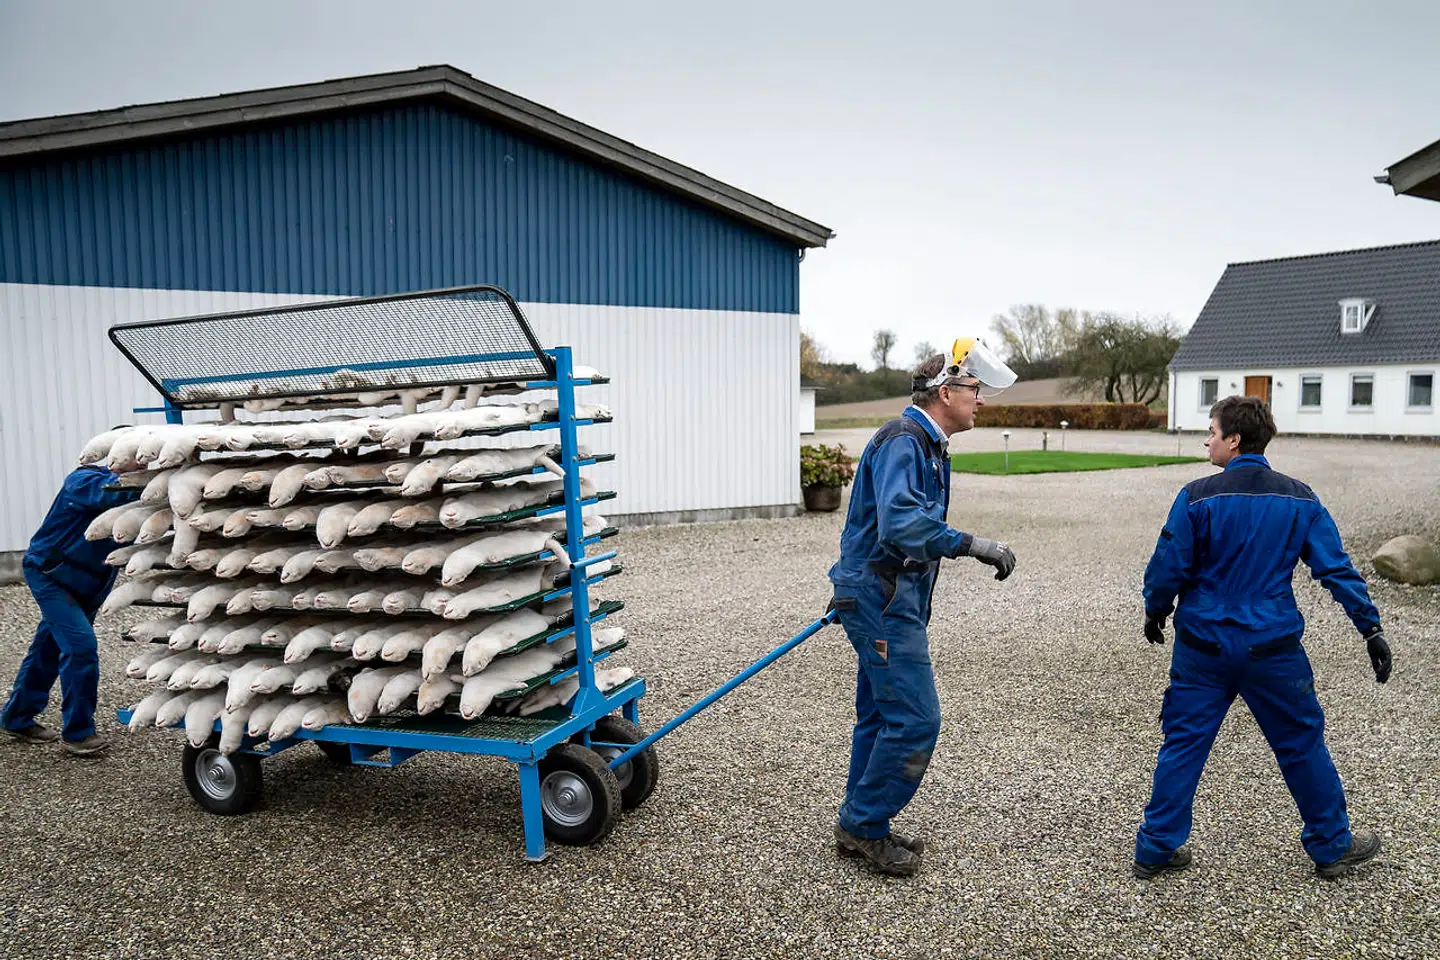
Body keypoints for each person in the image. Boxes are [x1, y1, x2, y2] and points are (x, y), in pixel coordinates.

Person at [1135, 395, 1392, 880]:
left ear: (1233, 440)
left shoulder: (1196, 497)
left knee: (1183, 744)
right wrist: (1370, 627)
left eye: (1211, 432)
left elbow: (1169, 564)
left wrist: (1156, 610)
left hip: (1203, 649)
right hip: (1272, 648)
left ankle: (1155, 847)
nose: (1206, 440)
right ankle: (1332, 844)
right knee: (1300, 743)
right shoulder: (1300, 498)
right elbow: (1335, 568)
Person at [827, 339, 1019, 876]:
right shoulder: (905, 440)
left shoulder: (926, 443)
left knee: (880, 716)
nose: (980, 401)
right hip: (882, 600)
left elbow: (874, 527)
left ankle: (860, 821)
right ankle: (864, 824)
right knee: (915, 721)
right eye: (974, 390)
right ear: (944, 391)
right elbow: (901, 524)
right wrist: (974, 544)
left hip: (881, 595)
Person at [2, 455, 140, 756]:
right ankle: (77, 733)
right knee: (80, 647)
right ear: (118, 458)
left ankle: (16, 717)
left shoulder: (137, 491)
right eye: (138, 460)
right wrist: (158, 484)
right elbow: (108, 493)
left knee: (48, 649)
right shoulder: (83, 480)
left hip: (89, 584)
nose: (143, 466)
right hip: (51, 575)